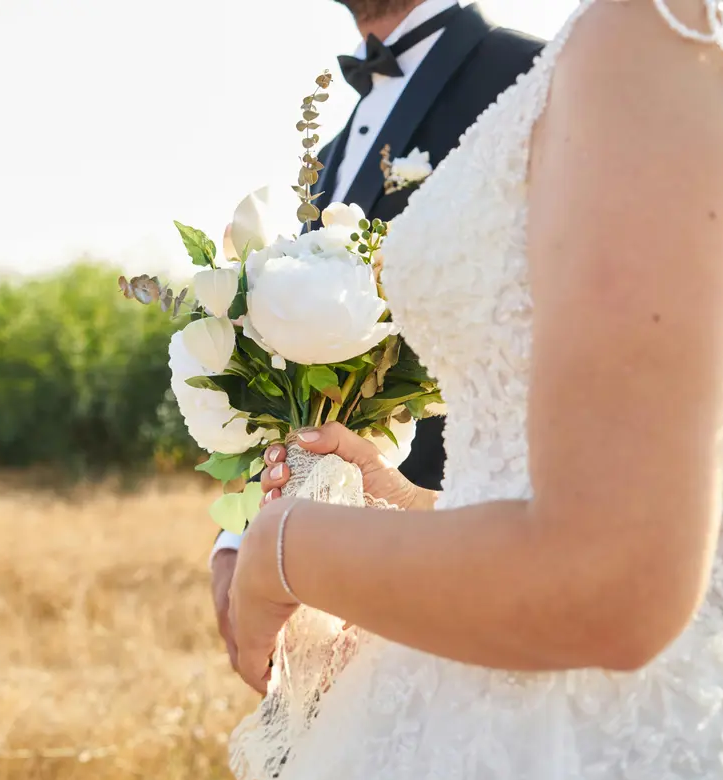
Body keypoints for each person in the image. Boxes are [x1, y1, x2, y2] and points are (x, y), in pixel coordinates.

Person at [227, 0, 723, 780]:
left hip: (597, 748)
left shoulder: (661, 33)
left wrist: (280, 550)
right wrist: (425, 510)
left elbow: (612, 581)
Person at [209, 0, 543, 676]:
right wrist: (236, 535)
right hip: (344, 610)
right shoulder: (332, 155)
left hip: (492, 580)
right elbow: (297, 374)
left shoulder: (538, 78)